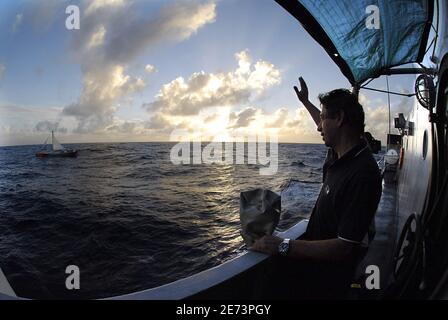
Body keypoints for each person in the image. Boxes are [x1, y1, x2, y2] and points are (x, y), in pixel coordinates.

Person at [251, 77, 382, 299]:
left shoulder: (363, 174)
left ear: (339, 119)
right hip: (313, 263)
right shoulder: (341, 152)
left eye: (323, 118)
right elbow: (325, 126)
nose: (319, 126)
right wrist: (306, 102)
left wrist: (282, 246)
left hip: (326, 279)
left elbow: (344, 248)